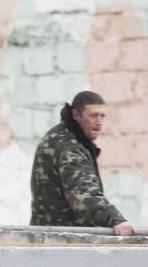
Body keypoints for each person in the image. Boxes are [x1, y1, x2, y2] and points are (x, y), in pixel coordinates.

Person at [30, 91, 136, 236]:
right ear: (76, 115)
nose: (99, 122)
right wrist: (116, 220)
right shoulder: (71, 148)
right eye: (93, 115)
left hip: (47, 237)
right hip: (64, 241)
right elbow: (84, 195)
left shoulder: (56, 135)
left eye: (102, 116)